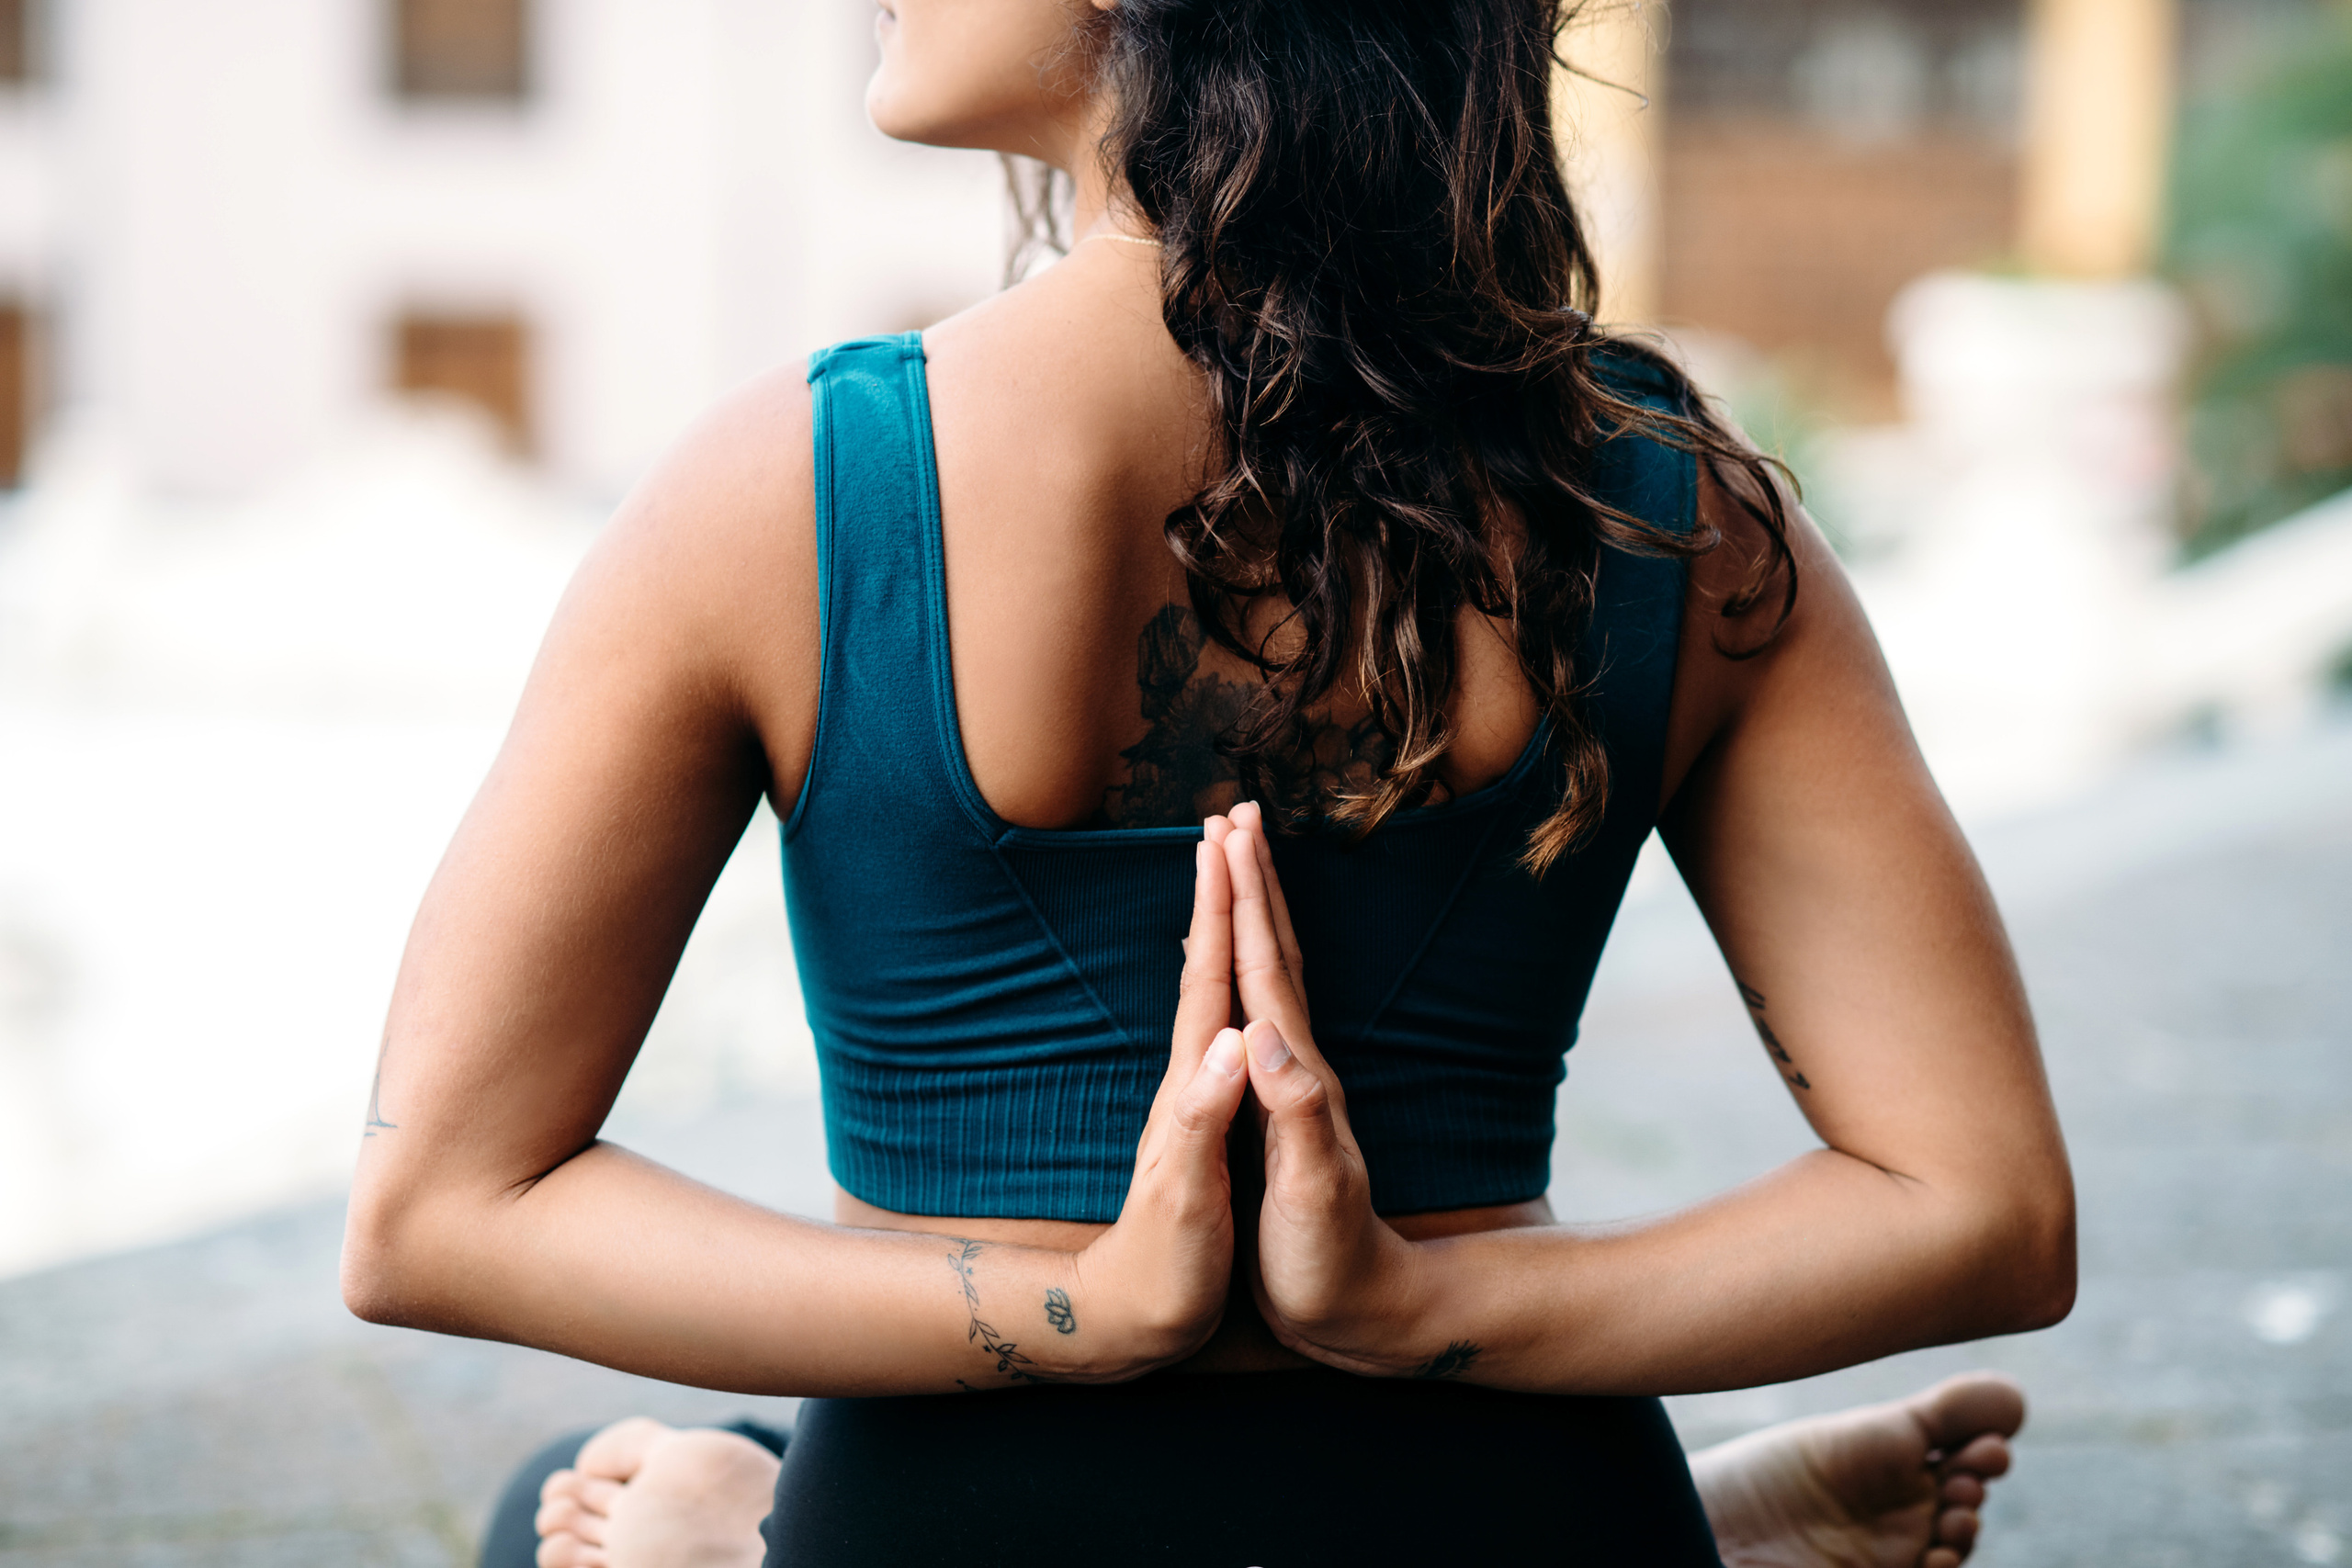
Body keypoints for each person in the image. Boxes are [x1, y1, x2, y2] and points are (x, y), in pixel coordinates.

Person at [340, 1, 2076, 1563]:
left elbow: (437, 1215)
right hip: (1533, 1512)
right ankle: (1705, 1524)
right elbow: (1983, 1212)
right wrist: (1412, 1303)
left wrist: (1093, 1307)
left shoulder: (789, 490)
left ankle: (729, 1530)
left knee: (559, 1508)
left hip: (954, 1517)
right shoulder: (1665, 508)